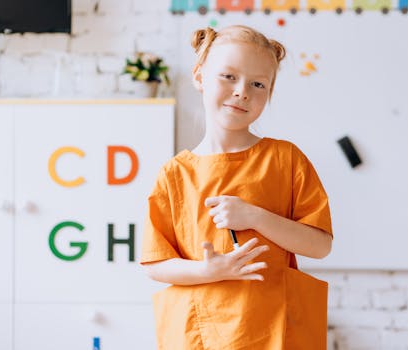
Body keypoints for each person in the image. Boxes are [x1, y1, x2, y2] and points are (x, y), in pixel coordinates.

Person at [140, 25, 333, 349]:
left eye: (258, 84)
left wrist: (255, 217)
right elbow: (155, 263)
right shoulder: (174, 174)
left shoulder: (286, 159)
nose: (243, 91)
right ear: (200, 77)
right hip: (200, 333)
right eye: (228, 76)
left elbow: (320, 246)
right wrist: (209, 270)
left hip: (275, 331)